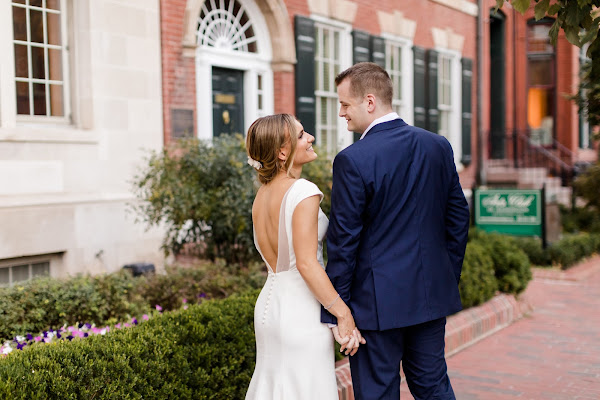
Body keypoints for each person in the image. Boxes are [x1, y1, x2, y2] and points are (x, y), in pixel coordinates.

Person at [321, 62, 470, 399]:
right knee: (433, 387)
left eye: (345, 104)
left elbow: (343, 243)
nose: (341, 113)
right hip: (430, 296)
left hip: (375, 306)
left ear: (369, 102)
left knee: (377, 393)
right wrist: (444, 276)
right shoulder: (437, 145)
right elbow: (458, 219)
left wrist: (338, 310)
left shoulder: (352, 160)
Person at [244, 113, 365, 400]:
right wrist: (343, 313)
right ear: (283, 152)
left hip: (269, 308)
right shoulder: (303, 191)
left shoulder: (262, 195)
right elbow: (307, 264)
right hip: (300, 311)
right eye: (301, 135)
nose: (309, 138)